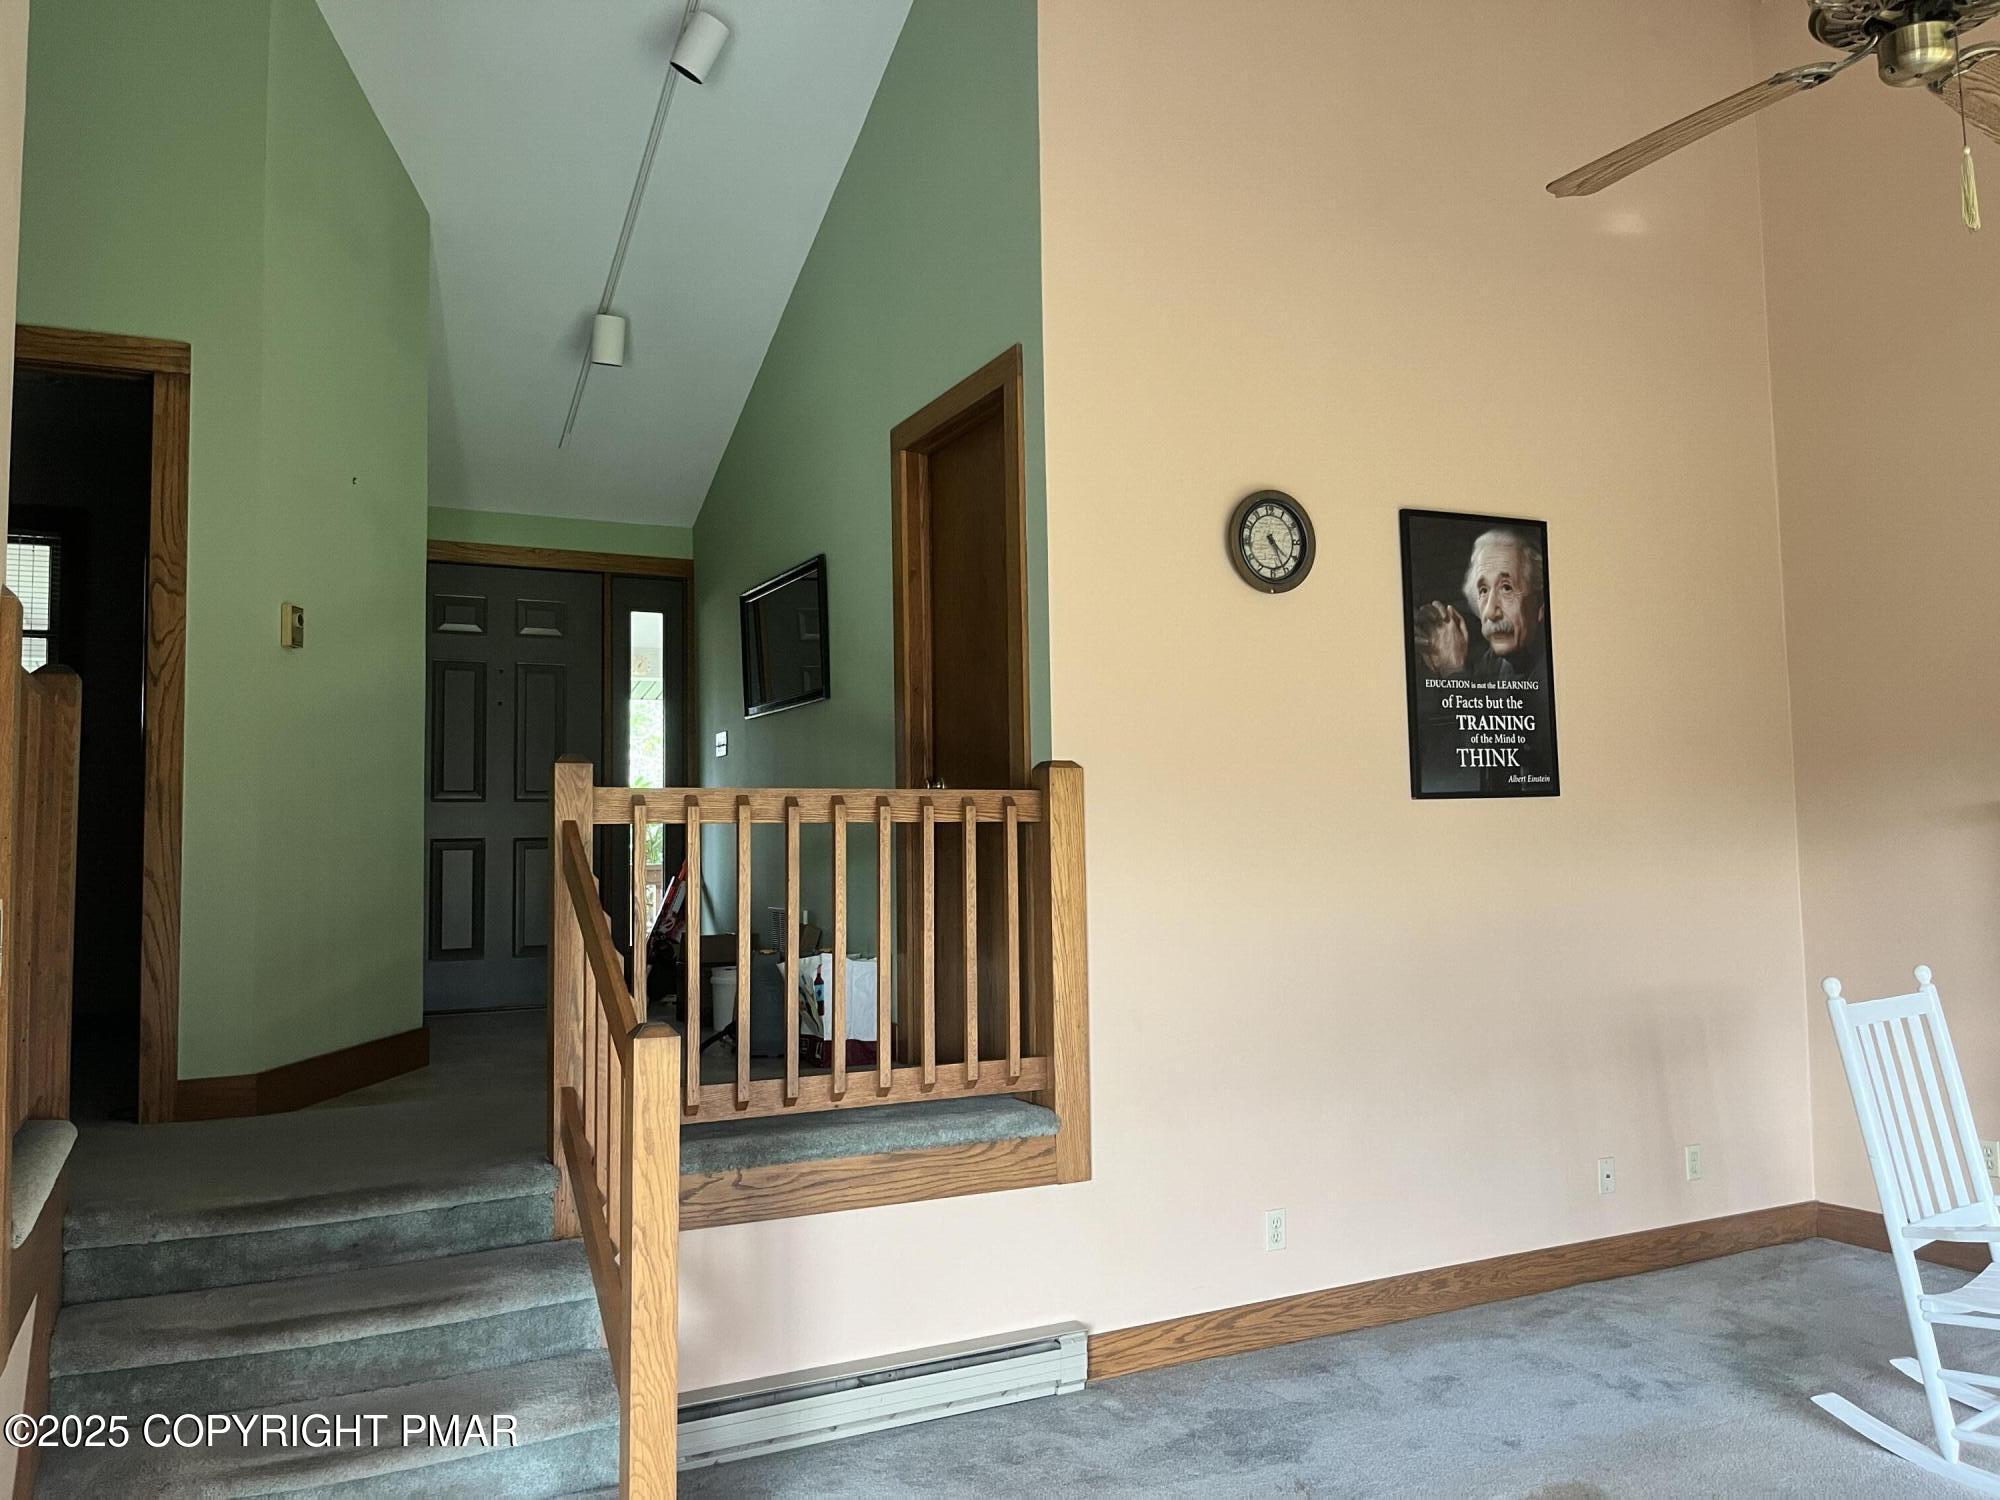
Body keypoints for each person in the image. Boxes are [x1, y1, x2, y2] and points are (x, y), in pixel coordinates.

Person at [1411, 528, 1546, 683]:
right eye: (1483, 590)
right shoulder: (1494, 662)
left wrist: (1453, 669)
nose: (1490, 612)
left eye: (1506, 588)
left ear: (1540, 603)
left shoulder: (1554, 669)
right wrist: (1435, 646)